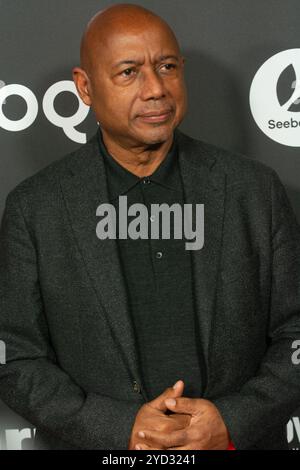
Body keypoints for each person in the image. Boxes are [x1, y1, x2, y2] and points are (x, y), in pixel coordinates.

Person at [0, 3, 300, 451]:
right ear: (84, 87)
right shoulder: (35, 207)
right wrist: (118, 428)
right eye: (128, 72)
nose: (156, 89)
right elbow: (15, 357)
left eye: (167, 67)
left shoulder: (253, 190)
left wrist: (235, 420)